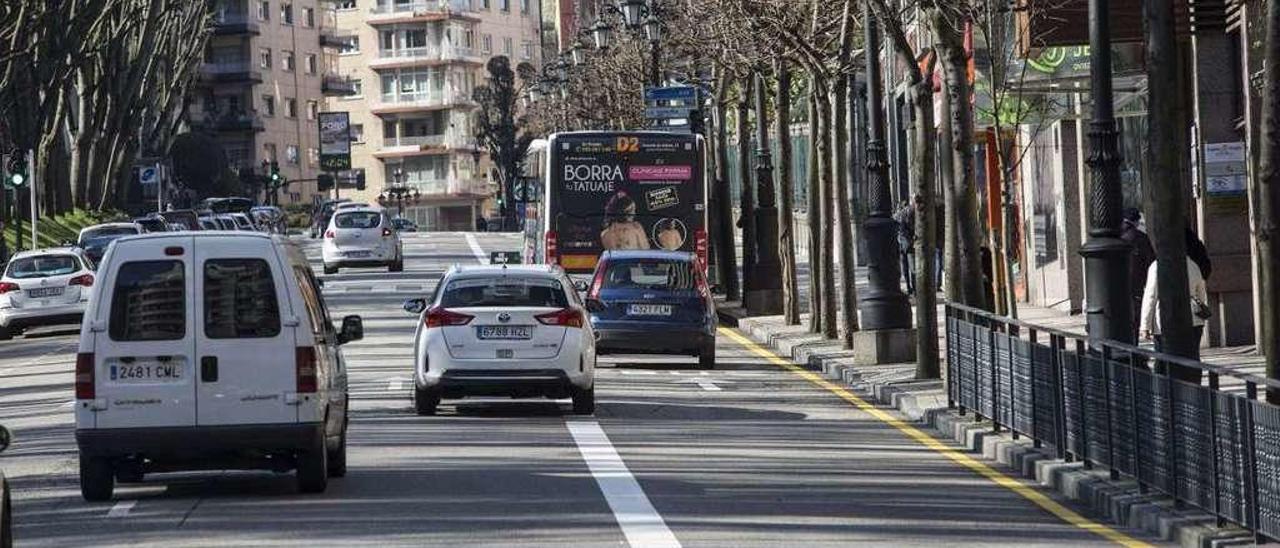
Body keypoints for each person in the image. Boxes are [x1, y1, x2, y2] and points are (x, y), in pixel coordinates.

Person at [1139, 255, 1208, 381]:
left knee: (1163, 358)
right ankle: (1194, 387)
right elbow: (1201, 292)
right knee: (1192, 357)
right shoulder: (1193, 264)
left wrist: (1145, 325)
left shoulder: (1157, 266)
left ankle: (1163, 390)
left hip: (1165, 319)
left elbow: (1150, 296)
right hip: (1193, 319)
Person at [1120, 208, 1155, 338]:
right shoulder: (1141, 238)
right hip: (1136, 285)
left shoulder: (1115, 237)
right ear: (1136, 221)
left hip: (1116, 287)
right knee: (1134, 319)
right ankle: (1133, 349)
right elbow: (1151, 262)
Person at [893, 201, 915, 294]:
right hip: (908, 245)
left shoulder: (895, 216)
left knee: (905, 267)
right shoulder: (908, 215)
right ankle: (914, 287)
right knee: (912, 267)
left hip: (901, 245)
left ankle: (908, 286)